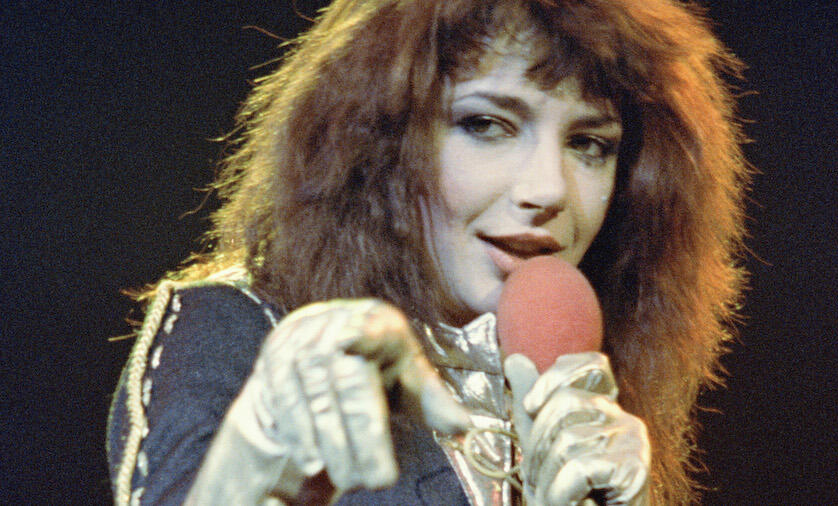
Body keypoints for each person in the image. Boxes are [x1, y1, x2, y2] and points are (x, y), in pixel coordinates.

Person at [107, 0, 749, 504]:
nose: (549, 190)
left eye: (589, 144)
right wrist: (249, 468)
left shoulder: (593, 387)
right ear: (376, 142)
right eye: (486, 125)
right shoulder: (237, 327)